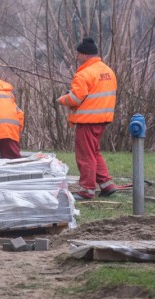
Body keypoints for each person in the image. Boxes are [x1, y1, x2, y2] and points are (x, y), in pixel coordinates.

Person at [57, 37, 117, 200]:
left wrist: (62, 99)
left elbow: (75, 99)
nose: (76, 56)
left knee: (85, 155)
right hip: (102, 118)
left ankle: (87, 190)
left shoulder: (84, 74)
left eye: (78, 54)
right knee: (94, 152)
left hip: (87, 120)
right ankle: (106, 184)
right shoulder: (108, 71)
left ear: (85, 54)